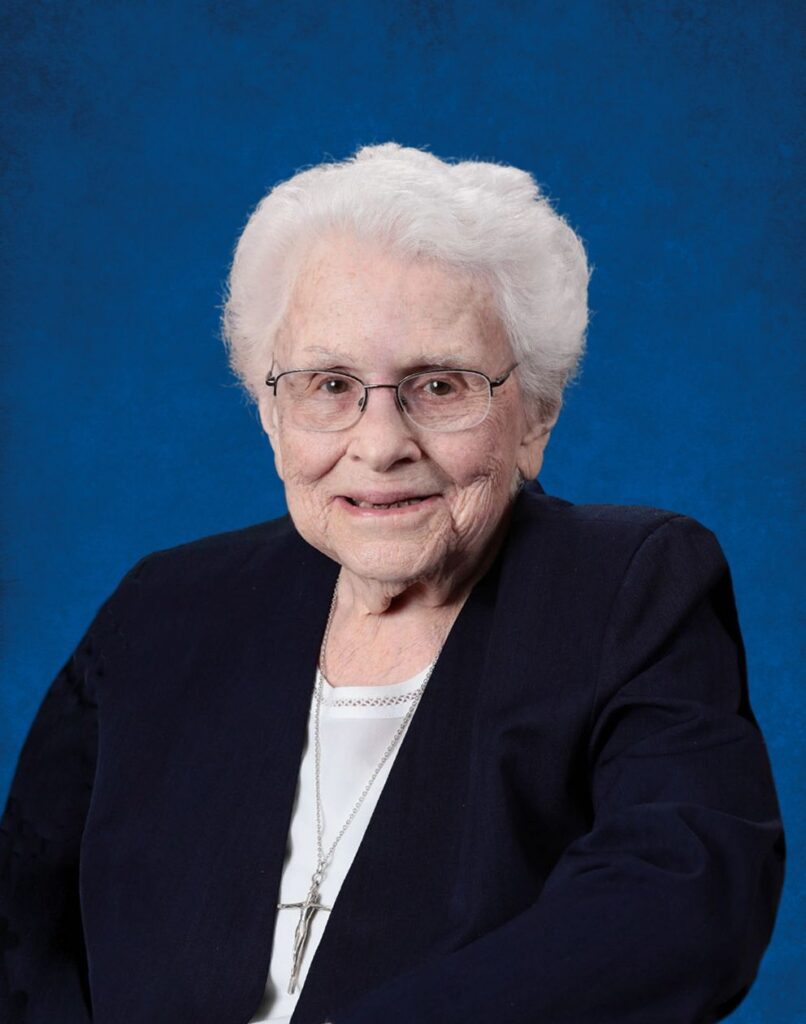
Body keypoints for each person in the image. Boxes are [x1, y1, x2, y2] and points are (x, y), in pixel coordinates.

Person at [1, 144, 784, 1024]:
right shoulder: (163, 609)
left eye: (439, 385)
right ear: (271, 414)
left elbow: (681, 900)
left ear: (536, 414)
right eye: (330, 384)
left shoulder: (626, 588)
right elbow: (21, 930)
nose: (380, 445)